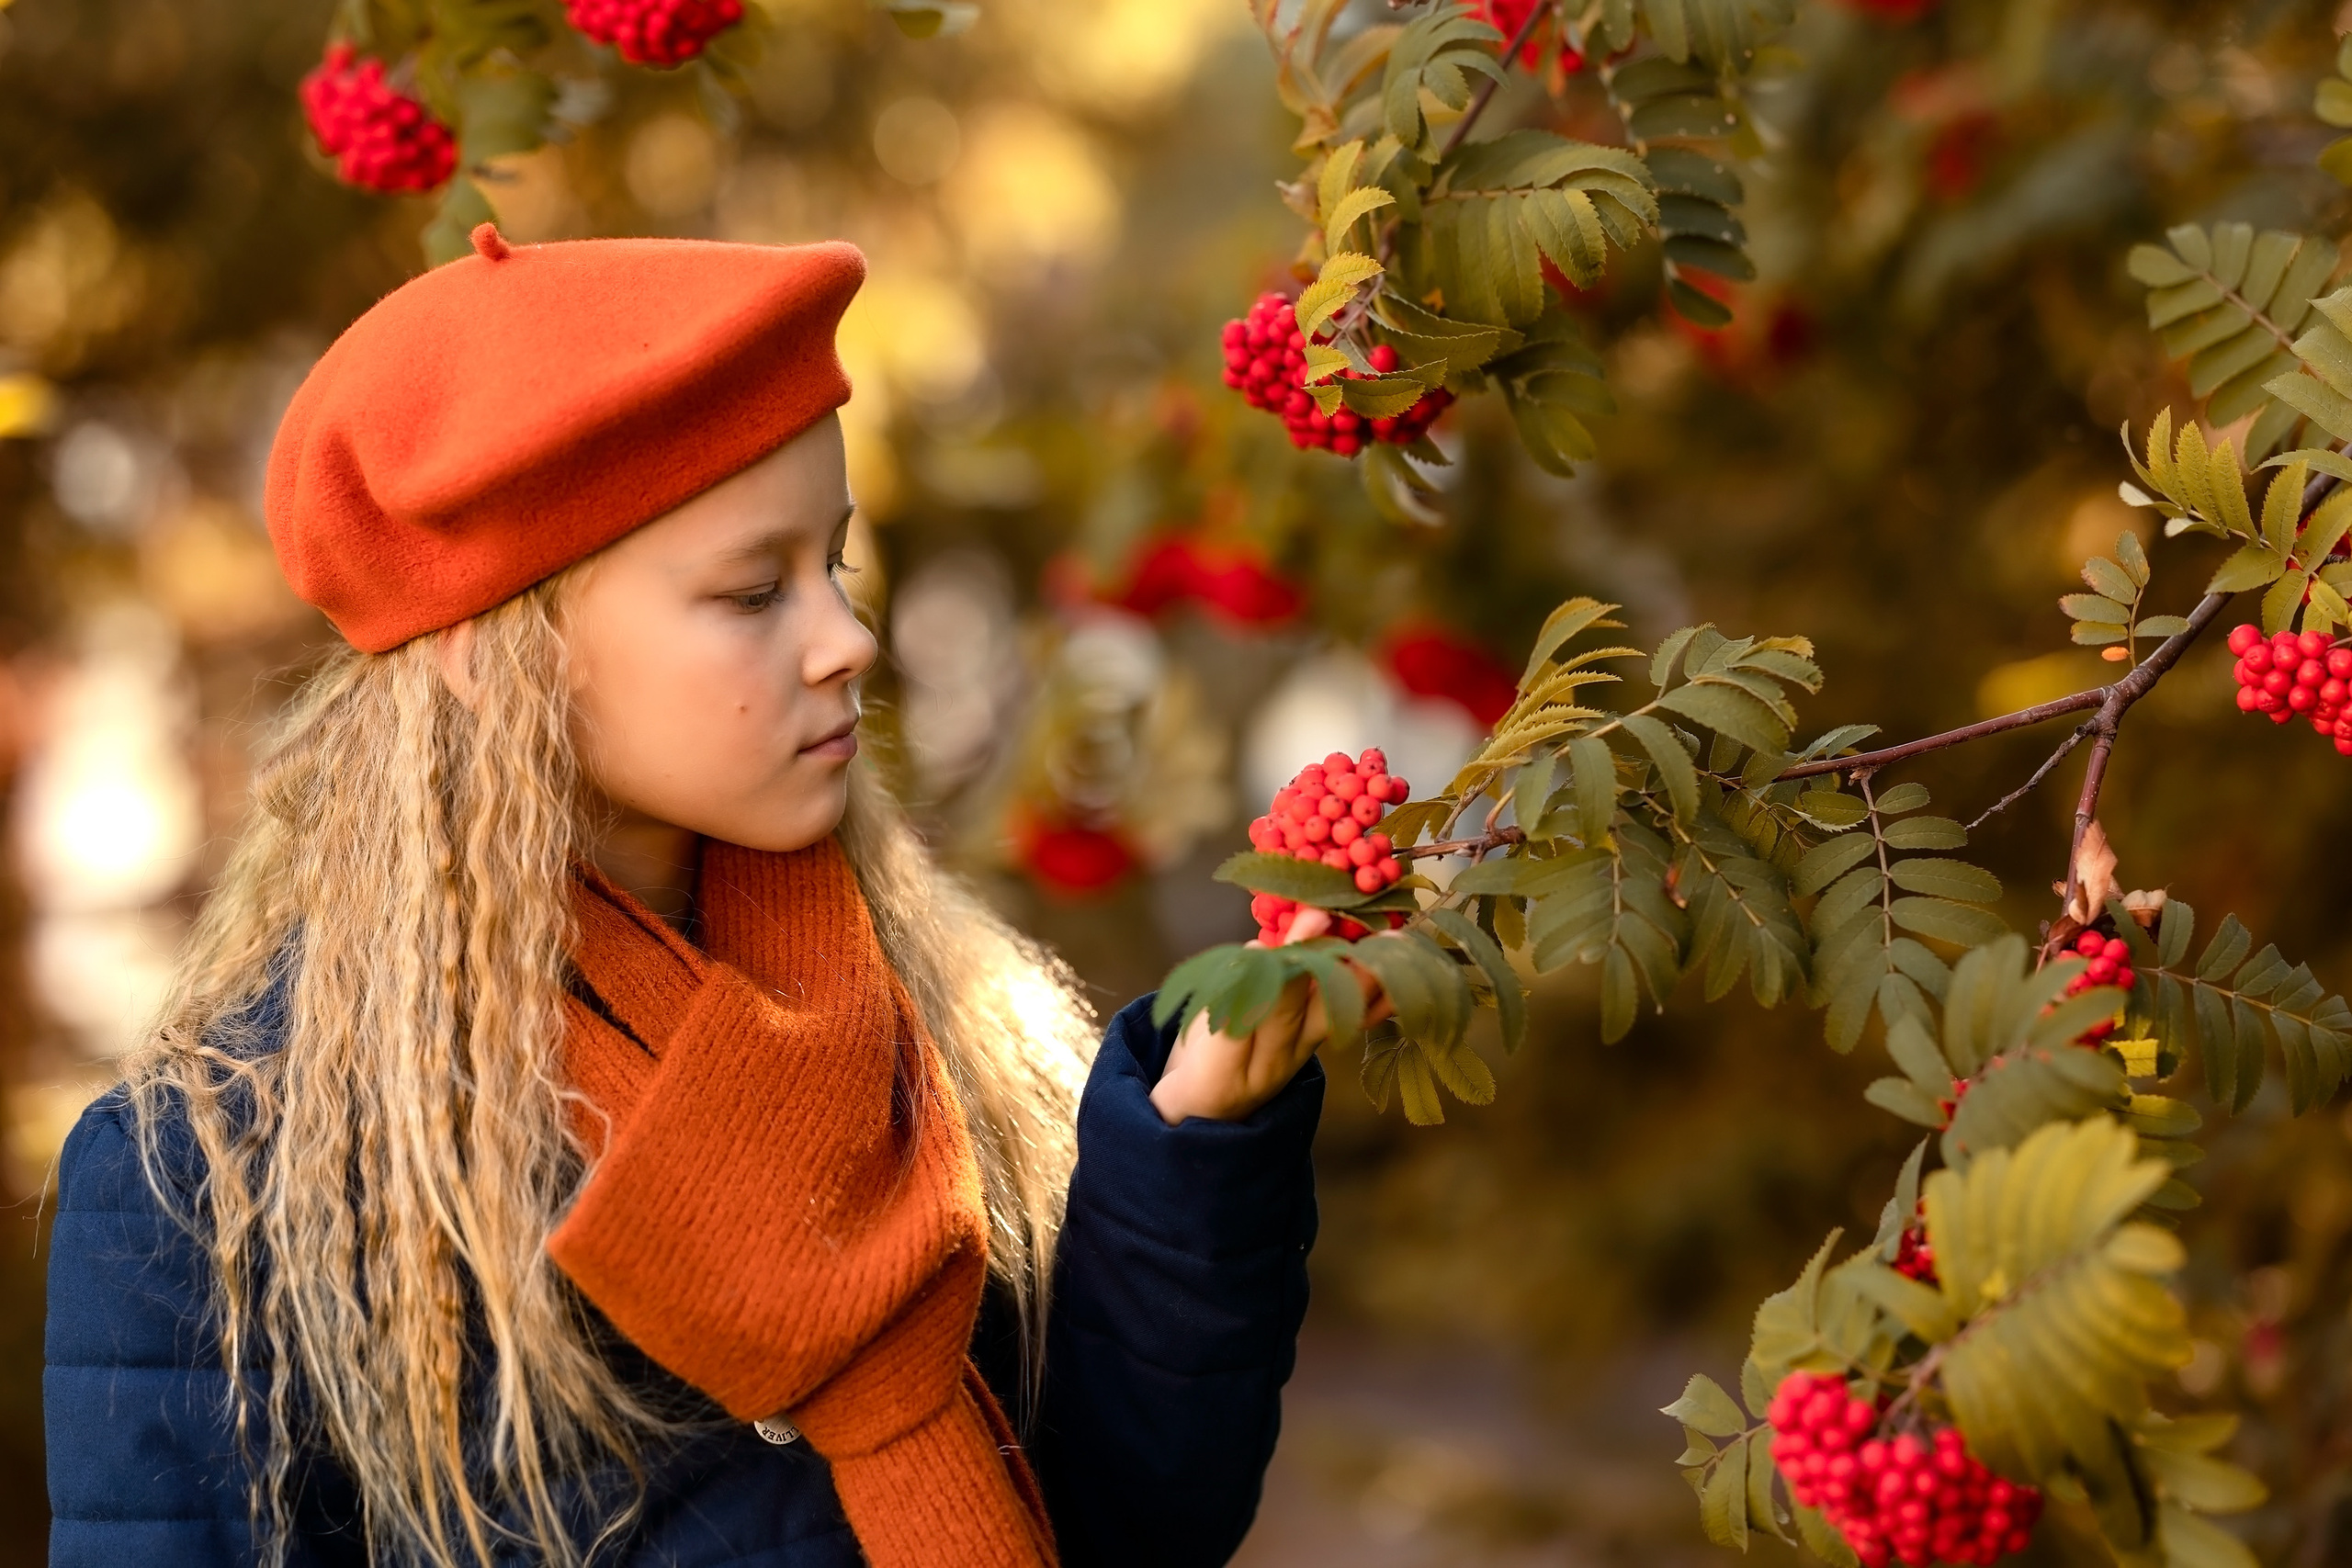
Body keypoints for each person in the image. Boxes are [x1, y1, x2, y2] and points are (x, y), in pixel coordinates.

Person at [43, 225, 1373, 1568]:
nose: (846, 638)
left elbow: (1124, 1529)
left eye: (834, 564)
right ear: (490, 655)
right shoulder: (218, 1171)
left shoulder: (923, 1008)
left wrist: (1196, 1146)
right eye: (753, 591)